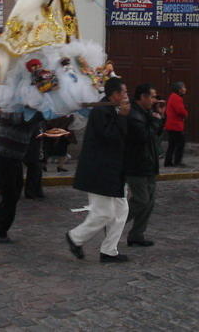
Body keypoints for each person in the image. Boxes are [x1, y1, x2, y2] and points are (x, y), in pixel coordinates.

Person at [66, 77, 131, 264]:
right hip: (99, 171)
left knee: (121, 209)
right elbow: (109, 136)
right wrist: (122, 117)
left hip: (114, 170)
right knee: (103, 213)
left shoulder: (113, 110)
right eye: (124, 92)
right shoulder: (101, 111)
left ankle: (109, 250)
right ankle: (75, 237)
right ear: (115, 94)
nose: (126, 96)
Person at [0, 111, 43, 243]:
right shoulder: (12, 107)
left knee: (14, 193)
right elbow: (20, 119)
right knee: (10, 195)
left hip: (15, 157)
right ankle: (0, 230)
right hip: (5, 156)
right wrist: (40, 109)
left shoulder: (28, 109)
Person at [125, 83, 164, 247]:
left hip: (149, 163)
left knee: (149, 201)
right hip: (136, 164)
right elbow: (143, 137)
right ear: (143, 97)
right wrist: (155, 121)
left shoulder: (146, 113)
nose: (155, 100)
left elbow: (156, 135)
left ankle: (137, 234)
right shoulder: (133, 115)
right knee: (141, 200)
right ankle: (114, 222)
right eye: (152, 96)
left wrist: (160, 117)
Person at [164, 81, 188, 167]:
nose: (185, 89)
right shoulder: (177, 98)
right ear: (179, 90)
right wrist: (186, 113)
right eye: (183, 88)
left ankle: (168, 161)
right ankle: (177, 162)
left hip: (171, 124)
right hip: (175, 125)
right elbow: (180, 111)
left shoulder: (172, 97)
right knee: (180, 144)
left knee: (172, 144)